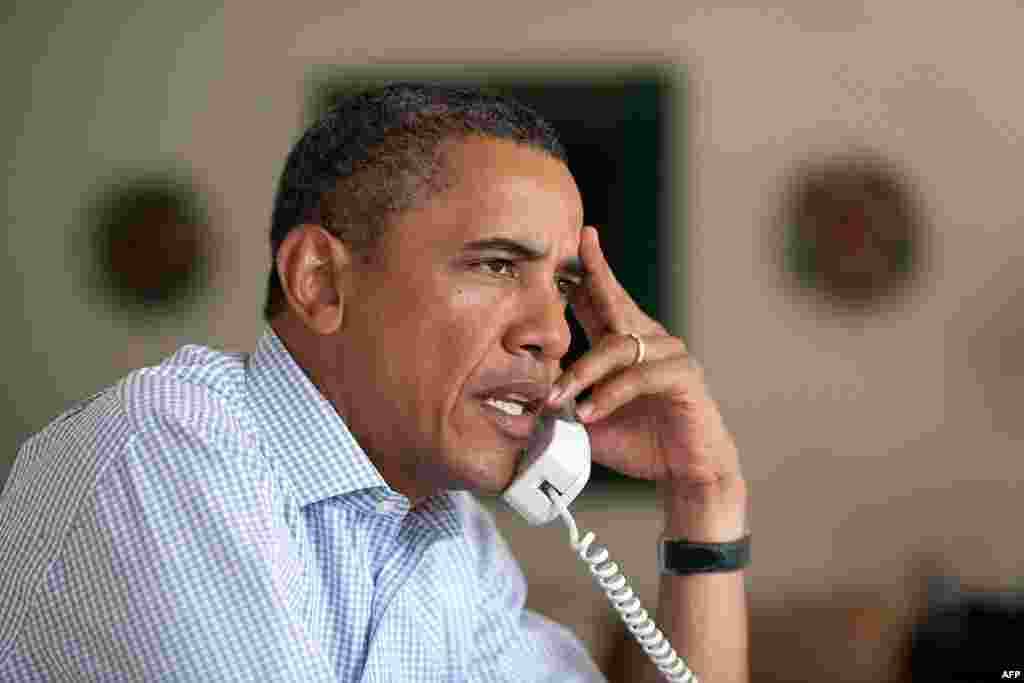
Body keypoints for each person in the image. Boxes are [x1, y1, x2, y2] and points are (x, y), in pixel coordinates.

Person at [0, 83, 749, 682]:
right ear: (320, 282)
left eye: (560, 284)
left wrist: (702, 496)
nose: (554, 333)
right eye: (495, 265)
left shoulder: (454, 542)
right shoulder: (172, 445)